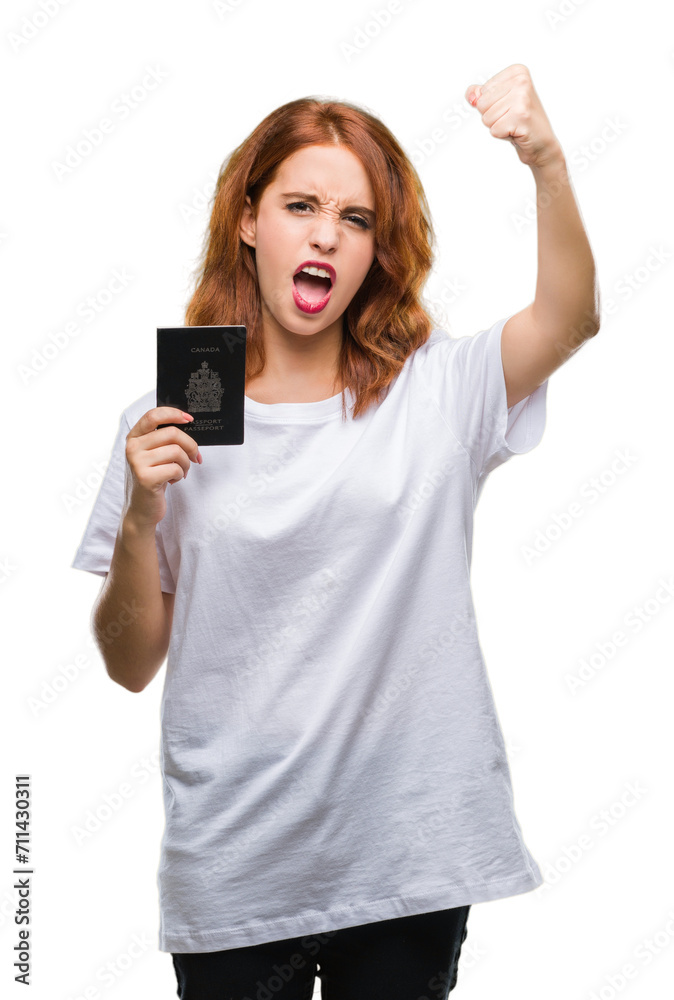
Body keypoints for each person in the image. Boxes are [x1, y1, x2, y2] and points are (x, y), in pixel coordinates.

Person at [71, 68, 599, 1000]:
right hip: (235, 869)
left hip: (406, 860)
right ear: (248, 220)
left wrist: (545, 159)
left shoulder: (434, 389)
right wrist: (141, 517)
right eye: (302, 204)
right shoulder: (179, 414)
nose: (325, 233)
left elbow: (571, 319)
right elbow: (127, 663)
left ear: (375, 250)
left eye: (355, 219)